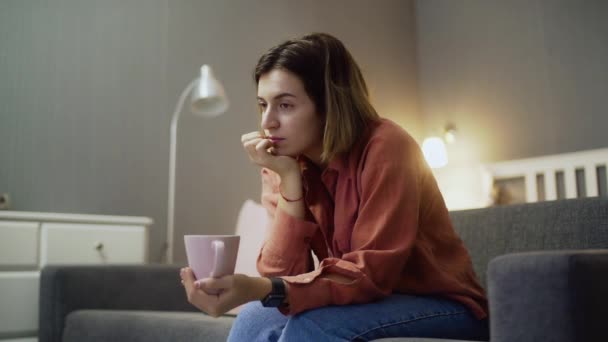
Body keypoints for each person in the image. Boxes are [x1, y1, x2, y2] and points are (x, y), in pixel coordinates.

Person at [180, 32, 489, 341]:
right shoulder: (282, 162)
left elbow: (371, 274)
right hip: (370, 301)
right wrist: (289, 181)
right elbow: (283, 276)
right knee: (251, 320)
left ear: (328, 105)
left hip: (443, 305)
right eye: (263, 105)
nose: (268, 122)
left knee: (314, 326)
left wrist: (259, 287)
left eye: (285, 105)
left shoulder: (387, 147)